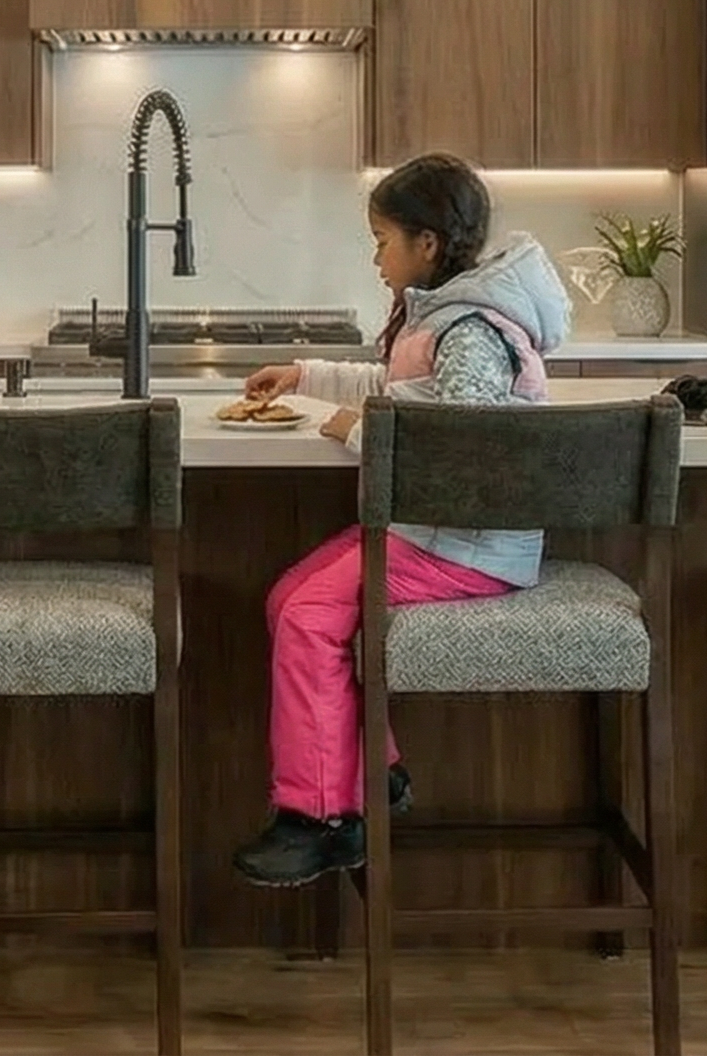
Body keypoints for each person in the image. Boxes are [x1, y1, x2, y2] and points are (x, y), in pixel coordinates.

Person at [227, 153, 573, 887]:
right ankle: (372, 776)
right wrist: (309, 376)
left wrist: (361, 426)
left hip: (466, 543)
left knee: (309, 616)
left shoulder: (473, 323)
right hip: (435, 532)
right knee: (291, 598)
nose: (375, 255)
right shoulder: (455, 313)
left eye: (381, 238)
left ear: (427, 243)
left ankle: (322, 819)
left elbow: (463, 430)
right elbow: (408, 383)